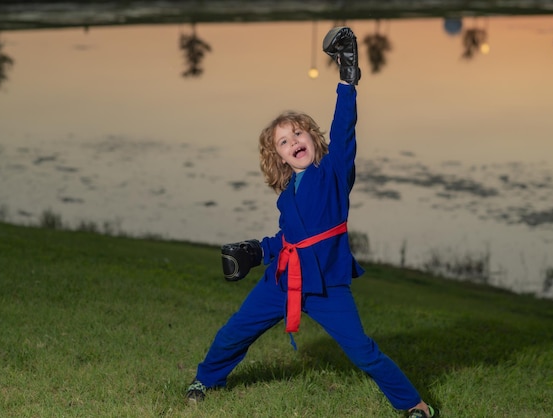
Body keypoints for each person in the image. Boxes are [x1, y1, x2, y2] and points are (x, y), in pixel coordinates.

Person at [186, 26, 437, 418]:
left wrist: (347, 82)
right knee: (235, 332)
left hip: (326, 286)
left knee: (363, 351)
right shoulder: (287, 194)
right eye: (283, 142)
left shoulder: (333, 172)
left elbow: (345, 129)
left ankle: (414, 406)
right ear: (280, 158)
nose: (293, 142)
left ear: (313, 139)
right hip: (282, 280)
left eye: (298, 133)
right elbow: (290, 237)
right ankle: (206, 378)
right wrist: (257, 250)